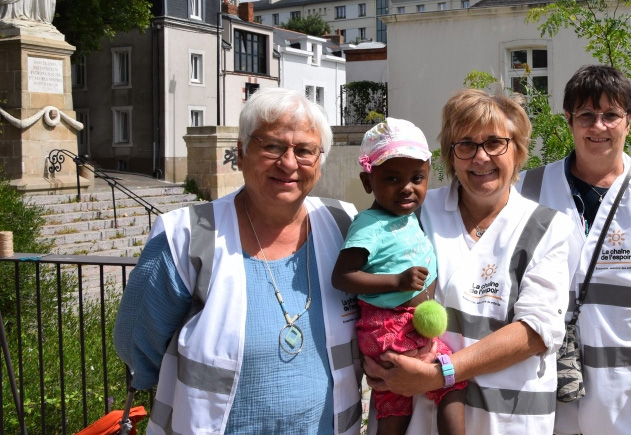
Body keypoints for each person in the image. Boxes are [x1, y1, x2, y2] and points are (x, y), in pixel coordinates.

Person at [113, 88, 363, 435]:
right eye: (272, 146)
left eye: (305, 150)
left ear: (319, 163)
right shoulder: (186, 235)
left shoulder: (345, 226)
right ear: (242, 152)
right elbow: (136, 343)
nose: (289, 163)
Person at [363, 88, 579, 434]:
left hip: (507, 419)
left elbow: (536, 331)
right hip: (420, 418)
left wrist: (439, 375)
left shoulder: (547, 227)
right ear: (450, 155)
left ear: (518, 149)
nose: (480, 157)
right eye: (466, 145)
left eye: (495, 143)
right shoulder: (415, 214)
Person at [517, 64, 631, 435]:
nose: (598, 127)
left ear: (630, 121)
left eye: (611, 115)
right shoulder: (527, 191)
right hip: (544, 397)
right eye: (586, 115)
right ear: (568, 120)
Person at [332, 118, 466, 435]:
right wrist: (397, 282)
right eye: (392, 178)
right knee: (449, 380)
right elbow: (343, 276)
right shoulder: (369, 224)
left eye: (417, 178)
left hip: (407, 321)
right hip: (388, 324)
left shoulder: (407, 217)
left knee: (396, 401)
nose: (407, 187)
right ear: (368, 182)